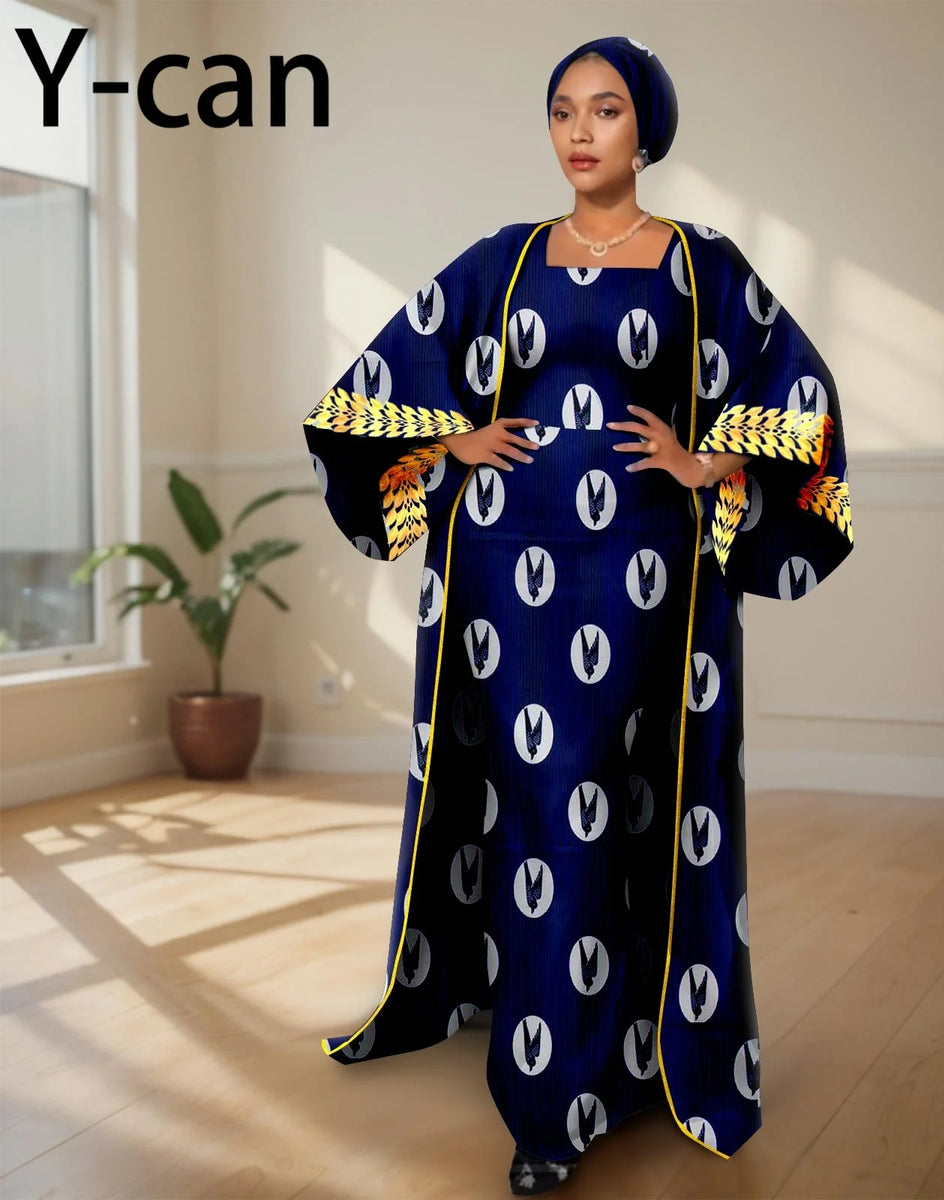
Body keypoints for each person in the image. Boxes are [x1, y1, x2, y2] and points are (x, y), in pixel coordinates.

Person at [301, 34, 854, 1196]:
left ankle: (644, 1052)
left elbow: (796, 394)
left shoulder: (706, 266)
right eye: (563, 110)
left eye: (605, 110)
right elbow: (383, 375)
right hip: (504, 574)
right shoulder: (503, 260)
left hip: (651, 575)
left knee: (629, 799)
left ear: (643, 129)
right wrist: (448, 440)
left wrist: (711, 467)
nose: (581, 130)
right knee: (542, 809)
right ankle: (547, 1101)